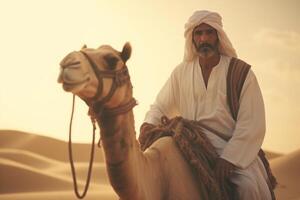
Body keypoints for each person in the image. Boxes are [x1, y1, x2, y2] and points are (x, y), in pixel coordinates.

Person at [142, 10, 273, 199]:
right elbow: (160, 106)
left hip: (231, 148)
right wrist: (149, 123)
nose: (204, 38)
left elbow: (252, 123)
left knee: (248, 187)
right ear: (192, 38)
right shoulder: (181, 72)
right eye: (199, 33)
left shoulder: (240, 73)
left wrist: (230, 158)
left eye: (209, 33)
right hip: (190, 144)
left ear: (218, 36)